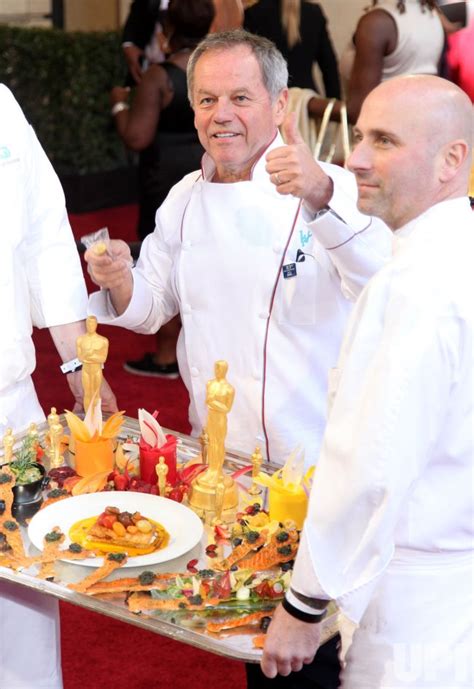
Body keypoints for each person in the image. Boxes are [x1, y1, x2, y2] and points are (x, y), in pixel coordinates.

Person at [86, 29, 391, 688]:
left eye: (240, 97)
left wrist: (319, 196)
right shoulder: (185, 200)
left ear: (281, 105)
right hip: (228, 470)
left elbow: (386, 280)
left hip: (318, 477)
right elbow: (150, 305)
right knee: (261, 649)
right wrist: (118, 277)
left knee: (330, 654)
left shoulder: (332, 187)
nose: (220, 113)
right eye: (205, 98)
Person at [261, 74, 473, 688]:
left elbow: (370, 466)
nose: (354, 159)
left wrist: (304, 605)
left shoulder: (415, 286)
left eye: (383, 141)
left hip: (417, 607)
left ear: (450, 160)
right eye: (359, 136)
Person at [0, 84, 117, 689]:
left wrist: (80, 367)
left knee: (23, 595)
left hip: (8, 407)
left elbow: (44, 239)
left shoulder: (1, 106)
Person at [342, 0, 445, 122]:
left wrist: (313, 102)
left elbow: (358, 111)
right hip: (419, 127)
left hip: (383, 133)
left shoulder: (377, 22)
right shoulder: (430, 14)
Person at [244, 0, 340, 97]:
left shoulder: (254, 13)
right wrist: (336, 106)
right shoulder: (314, 12)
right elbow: (330, 67)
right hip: (307, 103)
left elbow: (247, 68)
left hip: (271, 100)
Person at [76, 315, 109, 412]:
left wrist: (89, 356)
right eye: (89, 324)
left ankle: (96, 417)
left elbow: (103, 358)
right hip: (86, 370)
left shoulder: (103, 341)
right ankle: (88, 416)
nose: (90, 326)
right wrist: (93, 356)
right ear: (86, 324)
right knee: (87, 393)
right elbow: (80, 357)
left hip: (96, 370)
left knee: (96, 393)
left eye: (92, 324)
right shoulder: (80, 340)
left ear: (96, 325)